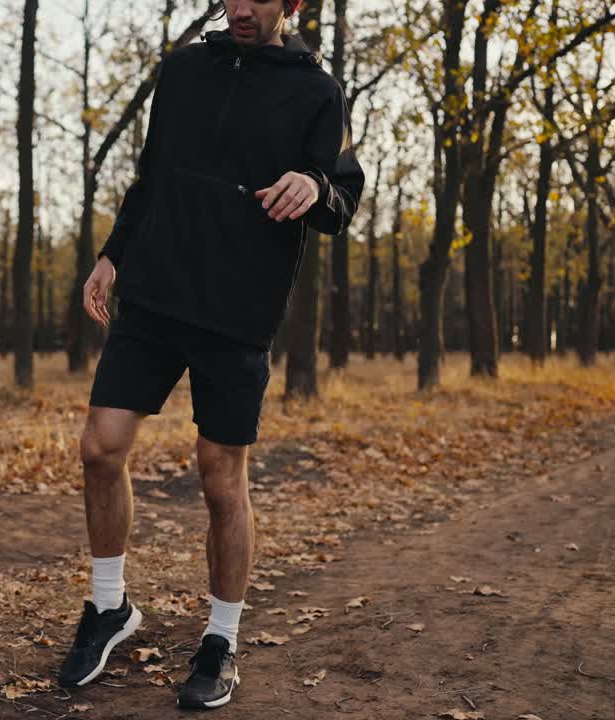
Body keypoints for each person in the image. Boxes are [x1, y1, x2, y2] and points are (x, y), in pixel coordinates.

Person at [56, 0, 365, 710]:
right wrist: (112, 256)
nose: (240, 6)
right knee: (100, 449)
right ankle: (110, 610)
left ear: (292, 3)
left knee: (221, 482)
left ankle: (221, 639)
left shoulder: (317, 91)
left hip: (237, 313)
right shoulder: (184, 69)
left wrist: (315, 185)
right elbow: (150, 174)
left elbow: (344, 196)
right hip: (155, 294)